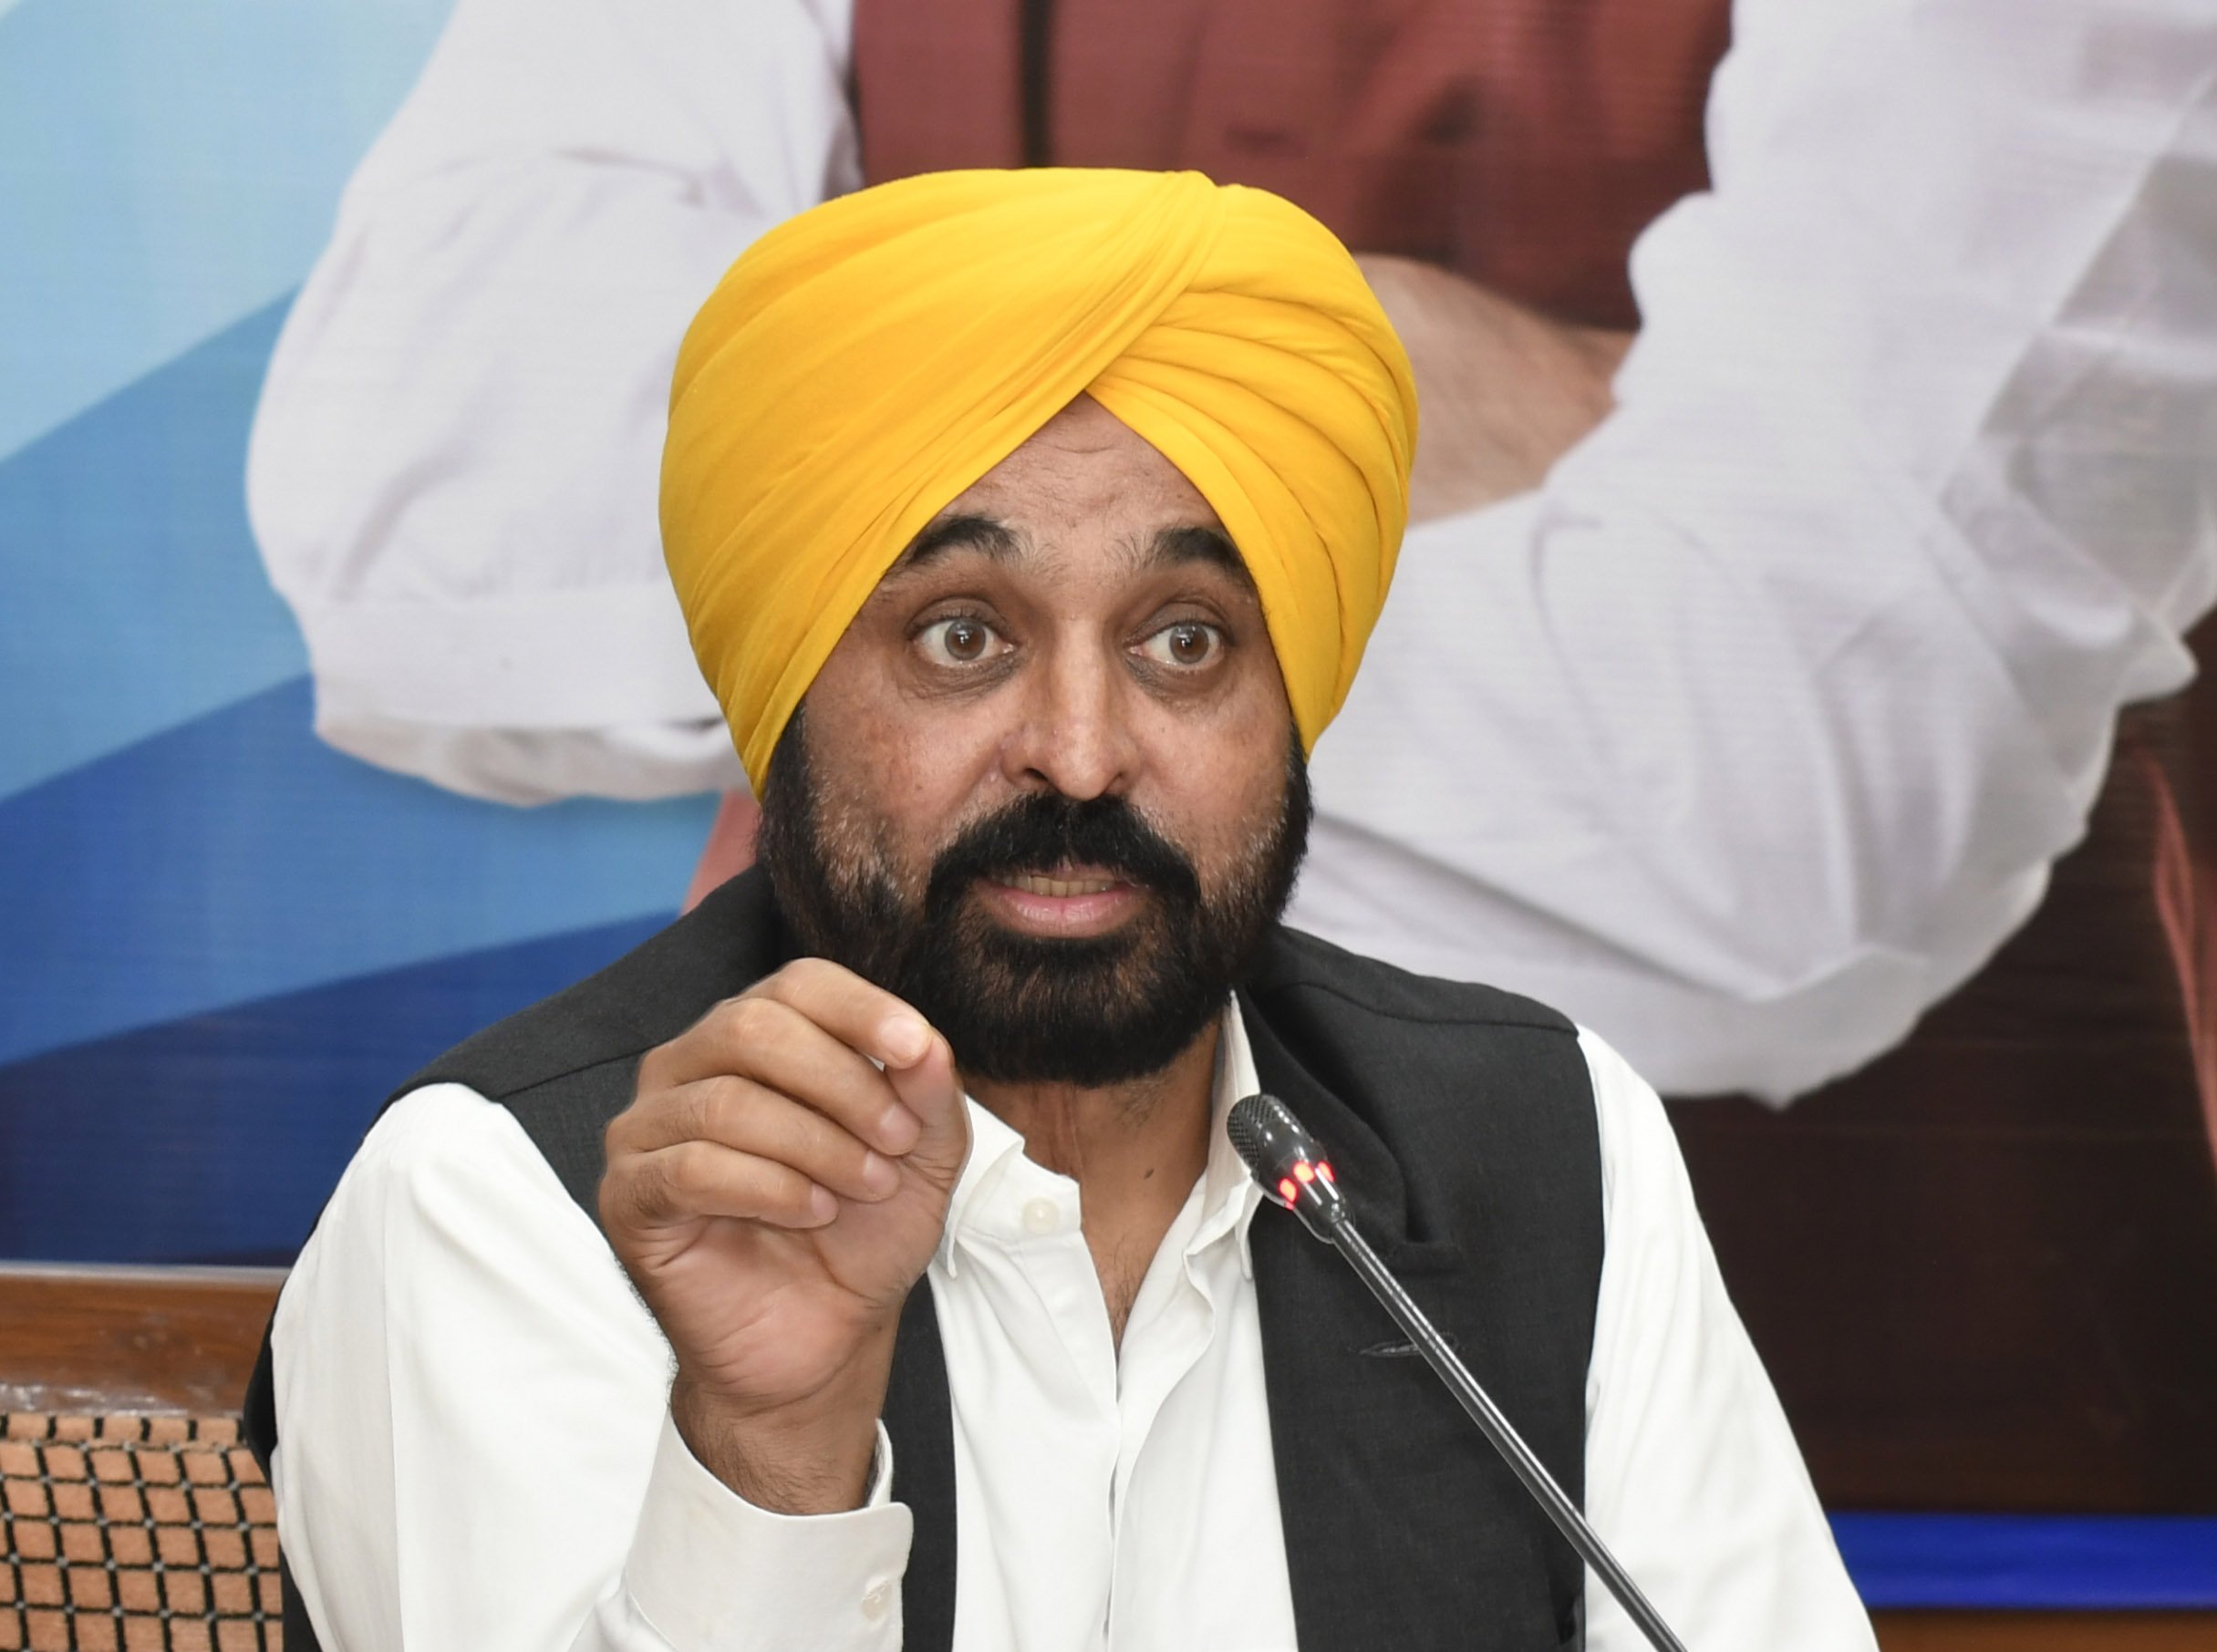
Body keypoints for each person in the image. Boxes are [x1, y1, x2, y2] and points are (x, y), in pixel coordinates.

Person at [250, 170, 2138, 1652]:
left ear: (1288, 692)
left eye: (1183, 643)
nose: (1080, 748)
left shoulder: (1536, 1147)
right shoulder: (515, 1194)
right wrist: (769, 1453)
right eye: (962, 636)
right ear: (786, 685)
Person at [244, 0, 2217, 1102]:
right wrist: (1372, 364)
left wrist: (868, 468)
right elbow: (426, 520)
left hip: (1836, 1458)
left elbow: (1775, 790)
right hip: (885, 1328)